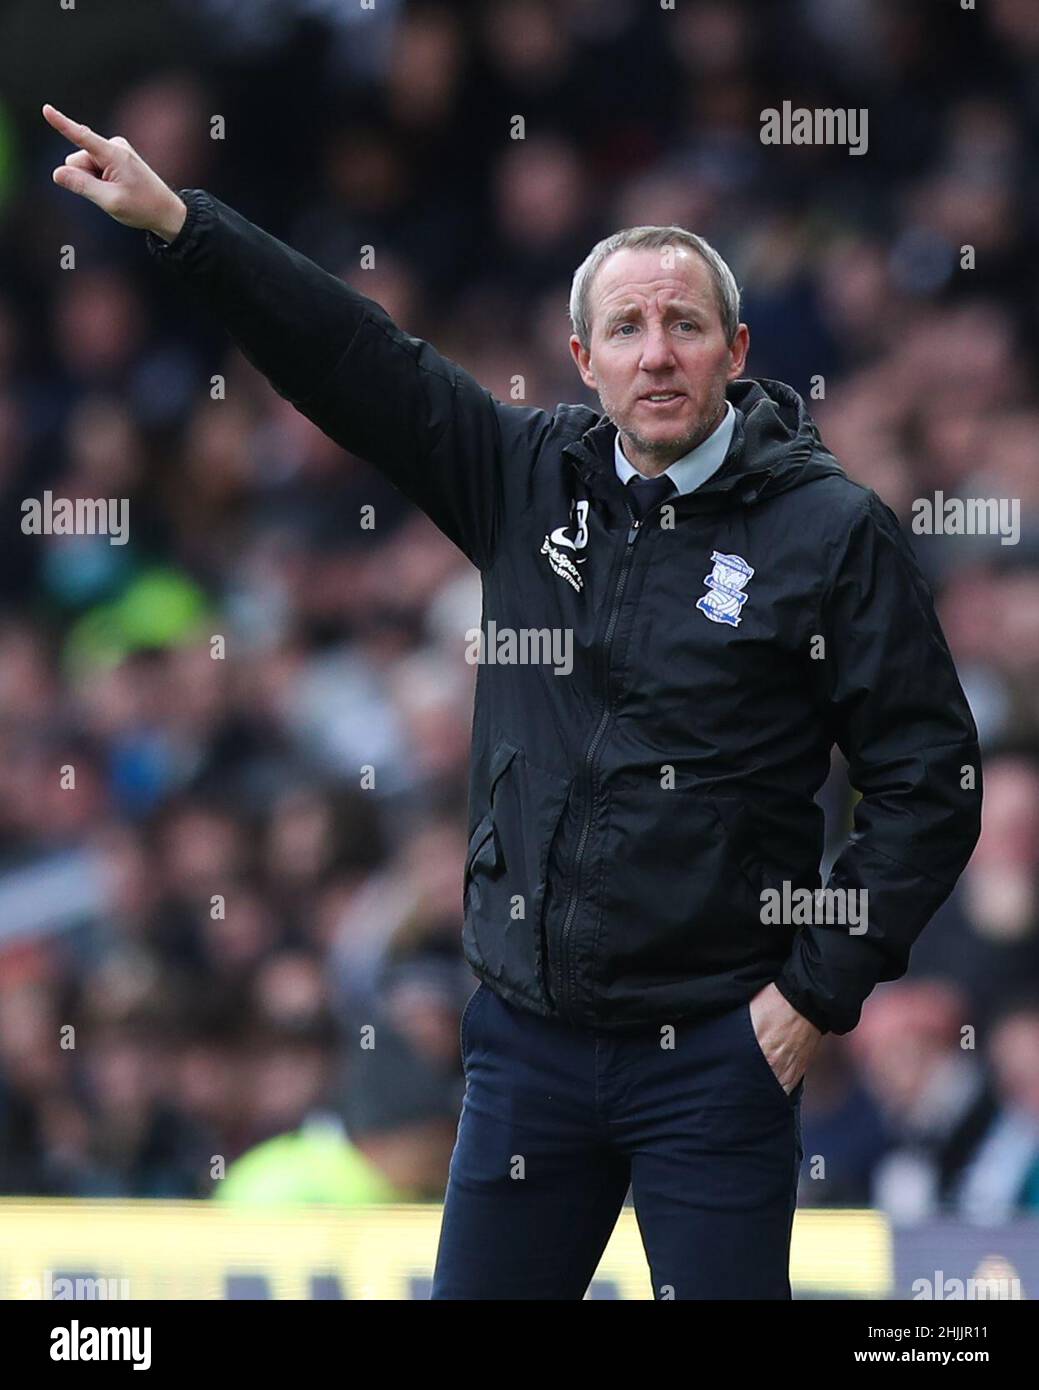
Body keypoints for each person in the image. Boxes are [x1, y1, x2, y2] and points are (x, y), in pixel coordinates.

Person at [43, 104, 983, 1299]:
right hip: (527, 1047)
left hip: (715, 1053)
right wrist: (181, 223)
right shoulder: (524, 473)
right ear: (581, 360)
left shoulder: (832, 532)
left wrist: (810, 995)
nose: (657, 352)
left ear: (736, 350)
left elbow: (930, 786)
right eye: (628, 328)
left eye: (684, 325)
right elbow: (351, 355)